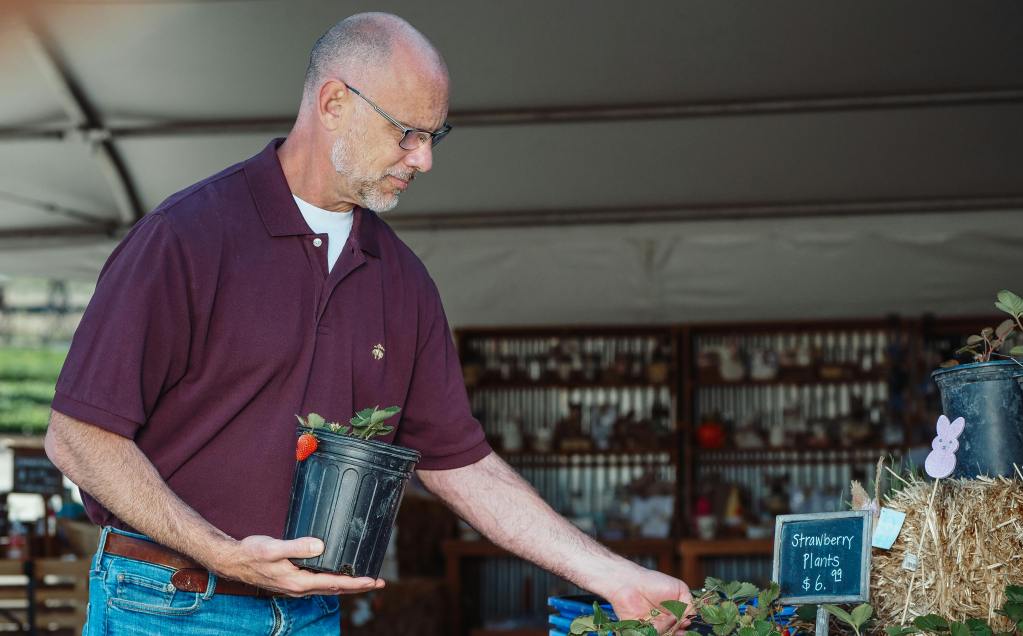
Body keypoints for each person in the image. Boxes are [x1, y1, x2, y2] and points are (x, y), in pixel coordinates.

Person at [44, 12, 693, 635]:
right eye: (407, 133)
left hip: (312, 613)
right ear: (334, 104)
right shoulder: (186, 238)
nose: (423, 159)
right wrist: (223, 553)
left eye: (434, 137)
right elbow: (78, 438)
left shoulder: (401, 280)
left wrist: (615, 576)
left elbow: (462, 464)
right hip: (165, 604)